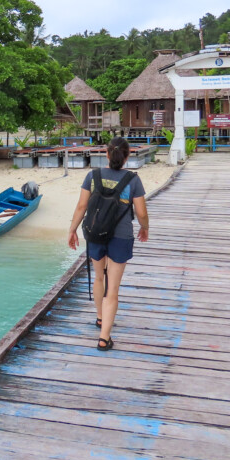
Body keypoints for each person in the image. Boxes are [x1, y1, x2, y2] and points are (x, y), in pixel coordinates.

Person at [67, 137, 148, 352]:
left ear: (107, 154)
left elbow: (81, 206)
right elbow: (141, 212)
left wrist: (72, 230)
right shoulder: (133, 180)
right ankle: (104, 338)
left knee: (98, 277)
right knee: (112, 289)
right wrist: (144, 228)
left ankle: (100, 317)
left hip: (95, 233)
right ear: (127, 157)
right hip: (121, 237)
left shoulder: (92, 176)